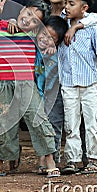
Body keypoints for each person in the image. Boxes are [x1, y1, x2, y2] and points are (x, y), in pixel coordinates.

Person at [0, 0, 60, 178]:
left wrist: (51, 47)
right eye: (27, 13)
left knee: (38, 119)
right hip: (2, 84)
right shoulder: (1, 27)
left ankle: (49, 160)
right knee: (1, 123)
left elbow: (51, 38)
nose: (28, 19)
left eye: (34, 20)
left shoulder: (35, 35)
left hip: (26, 84)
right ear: (21, 10)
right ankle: (0, 163)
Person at [58, 0, 97, 174]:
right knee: (71, 123)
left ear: (84, 8)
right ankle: (72, 160)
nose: (67, 7)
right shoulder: (60, 24)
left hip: (90, 82)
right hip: (68, 82)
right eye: (66, 3)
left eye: (71, 4)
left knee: (92, 122)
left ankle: (93, 159)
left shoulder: (93, 28)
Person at [33, 15, 68, 174]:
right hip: (37, 94)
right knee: (39, 127)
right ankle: (42, 157)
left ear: (58, 42)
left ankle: (52, 158)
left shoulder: (58, 53)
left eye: (52, 38)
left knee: (53, 126)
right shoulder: (33, 47)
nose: (46, 39)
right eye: (44, 33)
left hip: (54, 96)